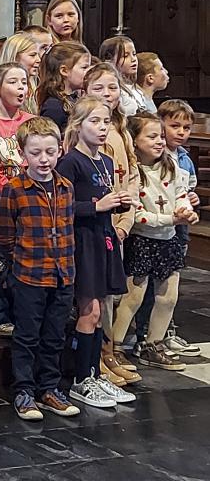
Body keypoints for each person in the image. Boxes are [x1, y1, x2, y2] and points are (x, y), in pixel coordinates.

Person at [0, 117, 81, 421]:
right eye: (35, 153)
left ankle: (49, 388)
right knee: (27, 336)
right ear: (22, 153)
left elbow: (69, 228)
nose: (43, 159)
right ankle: (24, 390)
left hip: (62, 273)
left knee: (55, 335)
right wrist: (17, 261)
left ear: (60, 150)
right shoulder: (15, 190)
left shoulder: (65, 187)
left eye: (50, 152)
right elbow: (4, 234)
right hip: (29, 274)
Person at [57, 97, 135, 408]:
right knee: (88, 311)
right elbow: (61, 206)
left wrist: (120, 201)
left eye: (106, 122)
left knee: (100, 311)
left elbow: (104, 196)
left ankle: (95, 373)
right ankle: (81, 380)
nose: (102, 128)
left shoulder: (103, 160)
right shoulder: (70, 162)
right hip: (82, 241)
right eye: (94, 122)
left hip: (103, 237)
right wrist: (95, 206)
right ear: (77, 126)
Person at [111, 113, 197, 372]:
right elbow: (137, 215)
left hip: (168, 239)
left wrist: (184, 210)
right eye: (152, 136)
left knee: (168, 297)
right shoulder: (134, 171)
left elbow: (181, 194)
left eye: (161, 136)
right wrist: (170, 217)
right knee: (133, 297)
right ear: (135, 141)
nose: (160, 141)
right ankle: (114, 346)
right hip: (142, 240)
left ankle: (153, 345)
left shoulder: (171, 165)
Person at [82, 62, 141, 384]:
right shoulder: (89, 133)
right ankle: (98, 359)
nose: (108, 94)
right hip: (98, 223)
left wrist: (125, 221)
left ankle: (109, 353)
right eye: (99, 88)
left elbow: (130, 177)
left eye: (113, 87)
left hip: (119, 222)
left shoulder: (120, 129)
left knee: (111, 294)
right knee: (97, 298)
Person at [150, 99, 202, 356]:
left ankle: (166, 332)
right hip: (157, 223)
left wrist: (194, 199)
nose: (181, 132)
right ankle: (145, 336)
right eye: (175, 126)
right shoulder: (155, 154)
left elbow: (189, 189)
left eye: (186, 127)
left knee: (171, 283)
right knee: (149, 286)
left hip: (179, 225)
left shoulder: (185, 159)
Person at [0, 63, 33, 191]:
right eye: (13, 82)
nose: (20, 87)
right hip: (5, 193)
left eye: (24, 82)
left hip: (31, 189)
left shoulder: (32, 122)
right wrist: (9, 190)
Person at [37, 41, 92, 133]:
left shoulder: (76, 99)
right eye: (84, 67)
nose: (90, 72)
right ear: (64, 71)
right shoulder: (54, 107)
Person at [0, 33, 42, 114]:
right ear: (15, 57)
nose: (39, 60)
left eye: (38, 55)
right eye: (32, 55)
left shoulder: (35, 86)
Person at [98, 36, 141, 116]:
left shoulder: (136, 89)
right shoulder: (112, 90)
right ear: (108, 60)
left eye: (134, 54)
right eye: (125, 56)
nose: (133, 59)